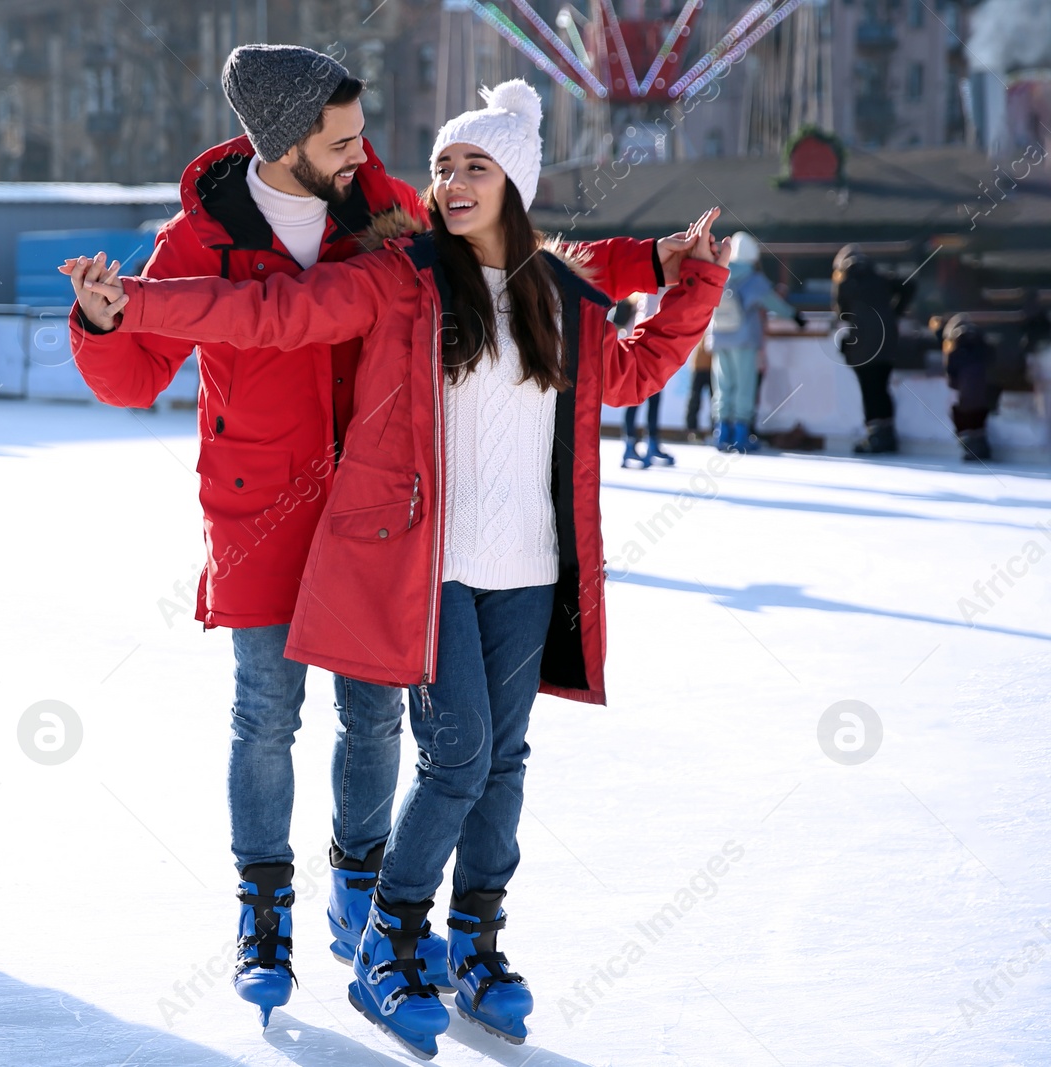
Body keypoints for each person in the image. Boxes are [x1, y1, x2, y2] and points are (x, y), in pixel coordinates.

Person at [68, 78, 729, 1054]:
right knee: (454, 755)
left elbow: (631, 368)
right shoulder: (401, 278)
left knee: (503, 761)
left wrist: (693, 283)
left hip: (530, 567)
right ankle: (389, 936)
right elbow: (267, 312)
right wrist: (132, 303)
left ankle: (476, 942)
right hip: (431, 567)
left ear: (517, 181)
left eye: (476, 165)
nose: (453, 180)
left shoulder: (555, 292)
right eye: (444, 166)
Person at [708, 232, 804, 453]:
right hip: (744, 340)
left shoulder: (720, 274)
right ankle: (741, 436)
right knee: (744, 386)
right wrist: (795, 316)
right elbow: (773, 303)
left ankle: (722, 433)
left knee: (722, 386)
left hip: (719, 338)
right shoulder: (753, 278)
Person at [831, 244, 914, 455]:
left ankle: (875, 434)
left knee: (869, 388)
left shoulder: (847, 282)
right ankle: (887, 433)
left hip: (862, 342)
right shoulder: (881, 278)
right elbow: (910, 284)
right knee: (882, 386)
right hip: (887, 339)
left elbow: (843, 313)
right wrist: (895, 311)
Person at [617, 291, 675, 467]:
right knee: (638, 398)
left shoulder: (639, 290)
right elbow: (648, 319)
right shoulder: (651, 289)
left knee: (648, 399)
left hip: (639, 348)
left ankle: (643, 443)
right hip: (643, 350)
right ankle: (634, 445)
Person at [937, 314, 998, 462]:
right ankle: (979, 441)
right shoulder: (984, 347)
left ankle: (970, 441)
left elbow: (952, 381)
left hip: (967, 399)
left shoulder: (955, 352)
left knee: (958, 409)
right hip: (987, 396)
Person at [685, 323, 714, 441]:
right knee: (695, 399)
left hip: (713, 366)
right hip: (700, 365)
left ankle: (714, 430)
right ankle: (692, 430)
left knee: (714, 401)